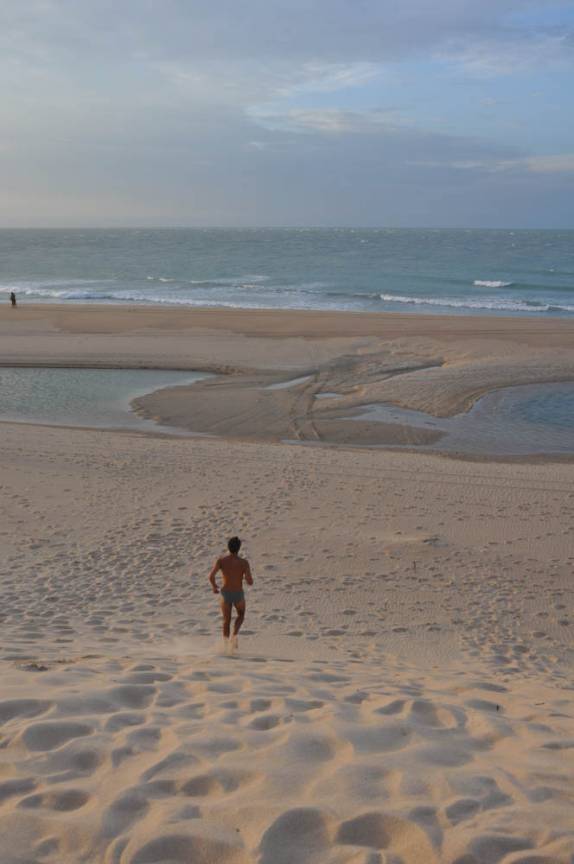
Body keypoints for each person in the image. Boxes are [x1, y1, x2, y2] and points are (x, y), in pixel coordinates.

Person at [208, 536, 253, 652]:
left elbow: (211, 576)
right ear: (239, 548)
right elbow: (250, 582)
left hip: (226, 593)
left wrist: (214, 587)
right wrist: (247, 578)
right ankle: (234, 635)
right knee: (241, 615)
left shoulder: (221, 561)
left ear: (228, 547)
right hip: (238, 593)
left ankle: (226, 646)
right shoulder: (244, 563)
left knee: (226, 620)